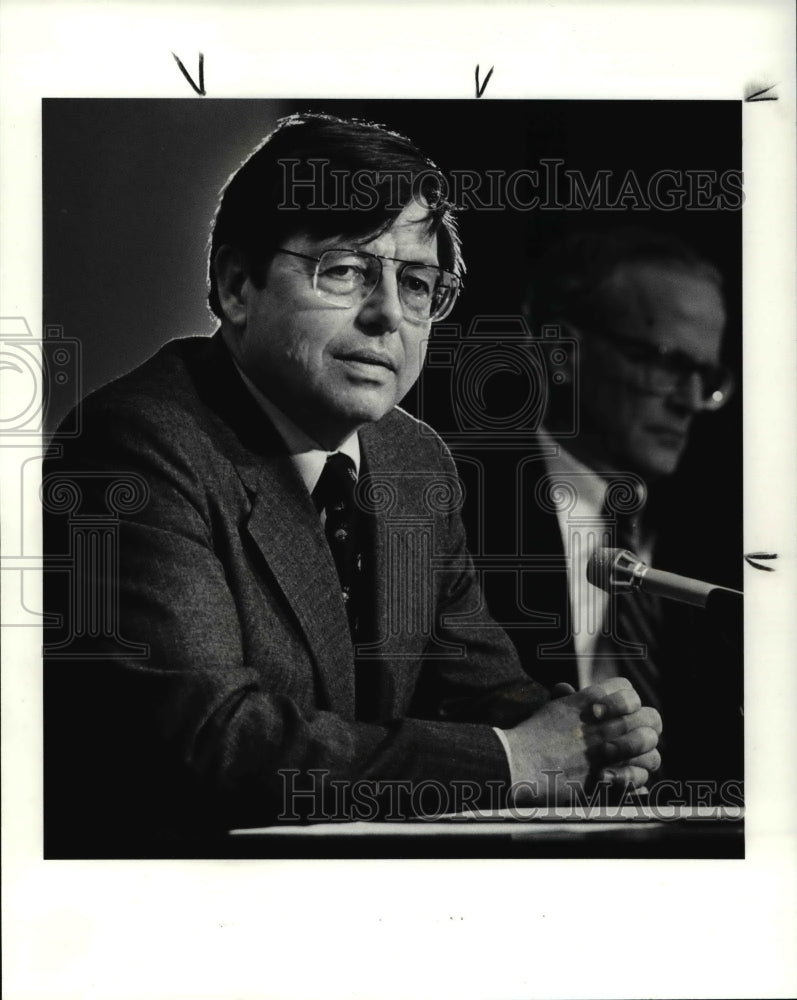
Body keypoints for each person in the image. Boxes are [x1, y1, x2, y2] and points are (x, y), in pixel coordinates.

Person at [43, 115, 662, 856]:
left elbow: (479, 687)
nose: (388, 316)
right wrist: (514, 761)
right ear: (237, 285)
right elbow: (216, 740)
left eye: (417, 283)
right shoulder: (135, 444)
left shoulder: (413, 460)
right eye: (344, 271)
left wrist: (590, 736)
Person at [476, 227, 740, 793]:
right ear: (560, 354)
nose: (690, 401)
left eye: (708, 377)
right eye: (664, 362)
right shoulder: (457, 503)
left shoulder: (720, 528)